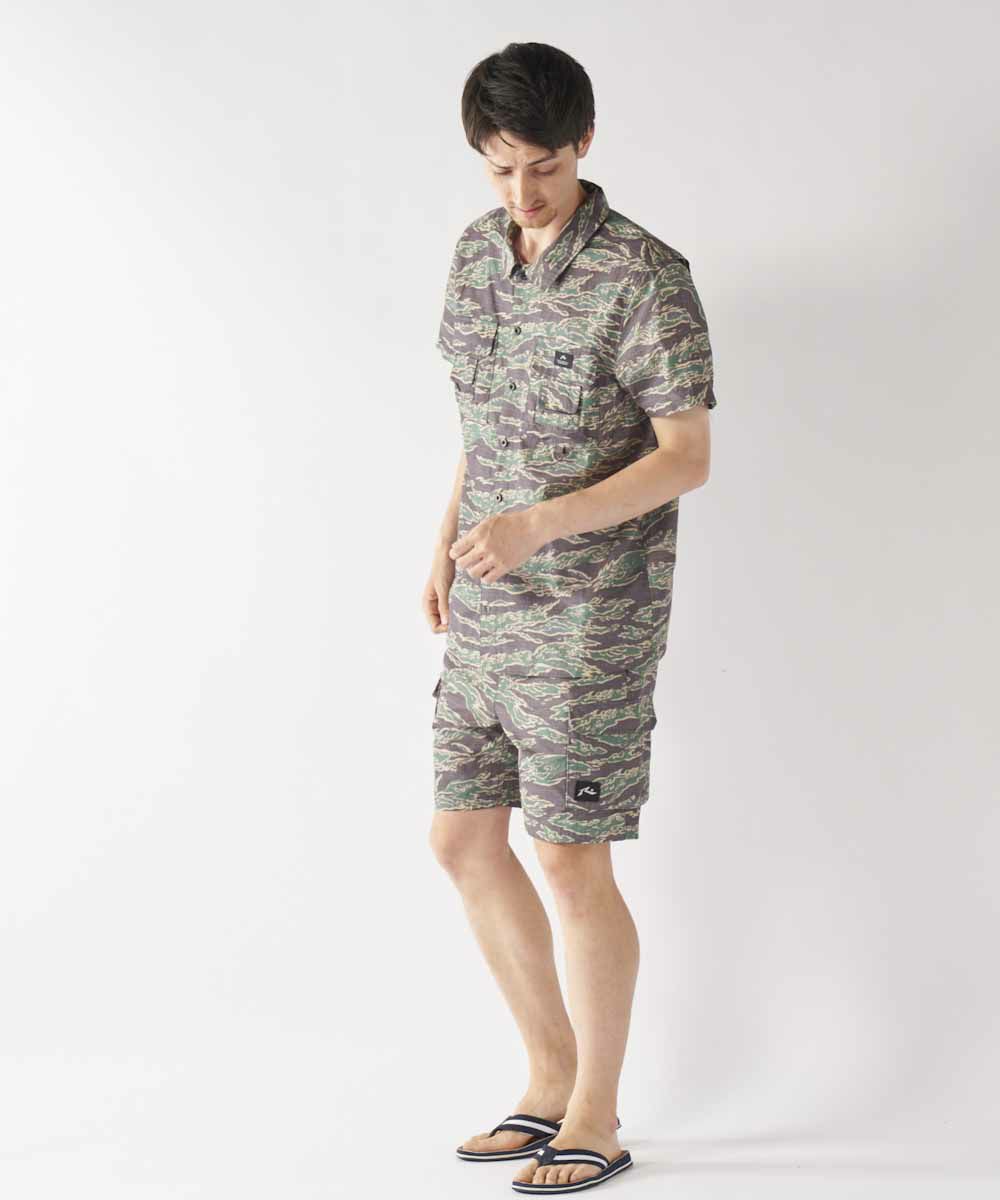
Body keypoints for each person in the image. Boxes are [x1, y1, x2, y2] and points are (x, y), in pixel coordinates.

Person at [422, 41, 717, 1194]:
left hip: (590, 618)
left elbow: (686, 456)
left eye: (541, 167)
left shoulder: (644, 276)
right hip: (486, 597)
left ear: (583, 142)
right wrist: (443, 541)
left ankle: (597, 1109)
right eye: (499, 169)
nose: (522, 192)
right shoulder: (475, 253)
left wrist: (540, 525)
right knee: (461, 838)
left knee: (567, 855)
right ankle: (546, 1077)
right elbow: (481, 422)